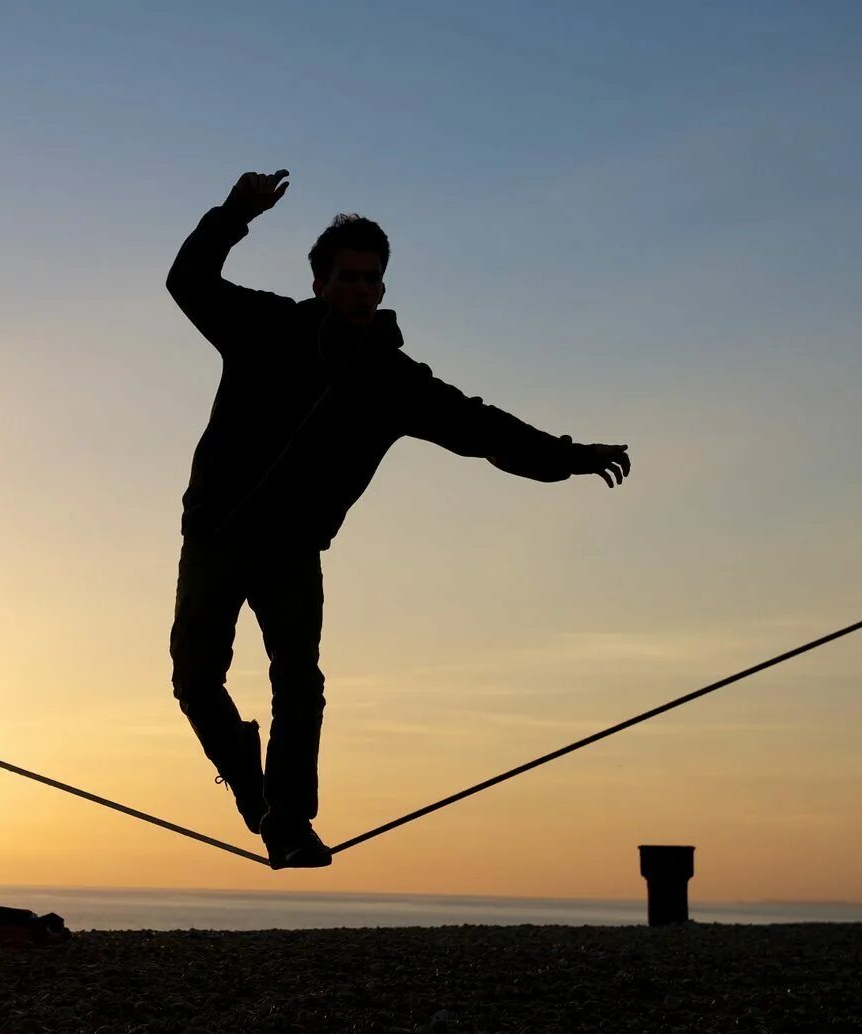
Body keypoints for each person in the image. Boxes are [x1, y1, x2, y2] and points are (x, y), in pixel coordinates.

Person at [166, 169, 630, 869]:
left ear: (382, 289)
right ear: (319, 282)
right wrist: (235, 212)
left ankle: (289, 820)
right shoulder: (264, 326)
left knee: (299, 678)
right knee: (196, 682)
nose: (359, 288)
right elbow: (189, 282)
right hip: (215, 533)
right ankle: (252, 787)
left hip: (292, 548)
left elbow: (483, 427)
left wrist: (570, 457)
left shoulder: (391, 379)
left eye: (371, 279)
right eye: (347, 276)